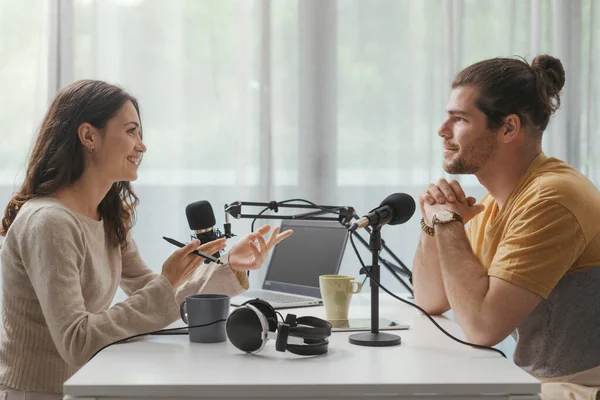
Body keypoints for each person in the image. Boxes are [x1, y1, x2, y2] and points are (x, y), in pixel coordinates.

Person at [0, 80, 293, 399]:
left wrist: (228, 266)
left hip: (86, 386)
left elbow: (159, 298)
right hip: (38, 393)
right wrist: (166, 282)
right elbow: (78, 340)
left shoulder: (106, 218)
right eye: (130, 131)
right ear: (88, 136)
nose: (141, 146)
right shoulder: (50, 222)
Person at [413, 54, 600, 400]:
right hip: (533, 384)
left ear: (509, 128)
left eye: (459, 119)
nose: (442, 131)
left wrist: (448, 221)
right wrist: (433, 223)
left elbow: (483, 327)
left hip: (580, 388)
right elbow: (429, 300)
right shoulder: (492, 206)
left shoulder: (552, 198)